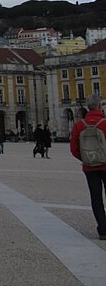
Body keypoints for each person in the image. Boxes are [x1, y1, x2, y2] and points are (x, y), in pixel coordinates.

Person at [70, 94, 106, 240]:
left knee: (96, 198)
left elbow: (74, 148)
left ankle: (103, 230)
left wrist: (86, 158)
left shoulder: (79, 125)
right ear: (100, 106)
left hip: (89, 167)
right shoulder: (105, 123)